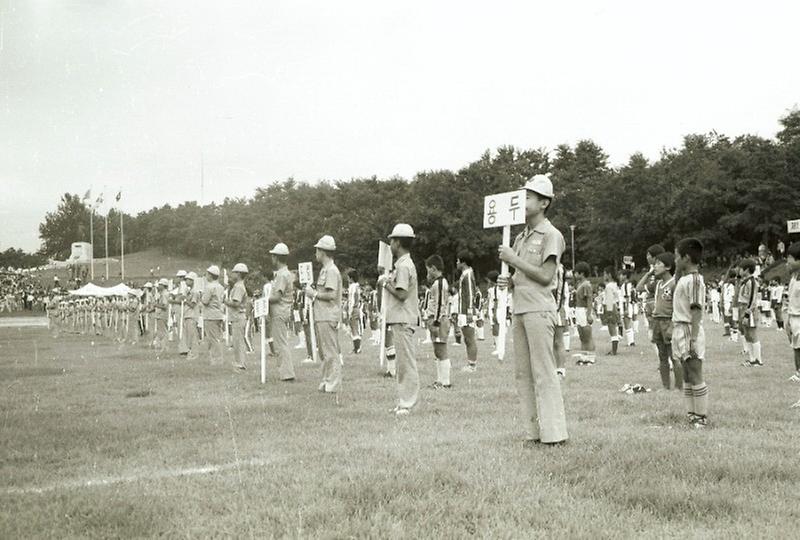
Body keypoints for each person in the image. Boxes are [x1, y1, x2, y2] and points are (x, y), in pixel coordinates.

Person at [498, 174, 568, 447]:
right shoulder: (520, 236)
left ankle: (554, 434)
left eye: (528, 197)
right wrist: (510, 278)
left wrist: (514, 260)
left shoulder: (552, 235)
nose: (522, 201)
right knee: (523, 374)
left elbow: (546, 276)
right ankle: (533, 432)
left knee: (543, 372)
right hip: (520, 308)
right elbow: (522, 276)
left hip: (539, 309)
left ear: (544, 203)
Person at [379, 224, 420, 415]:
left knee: (405, 364)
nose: (390, 244)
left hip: (403, 319)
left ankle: (408, 402)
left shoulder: (403, 266)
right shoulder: (403, 264)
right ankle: (404, 400)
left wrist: (385, 283)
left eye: (392, 240)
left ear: (397, 242)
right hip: (401, 319)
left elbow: (401, 294)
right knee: (402, 363)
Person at [672, 238, 709, 428]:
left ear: (686, 258)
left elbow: (696, 309)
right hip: (679, 328)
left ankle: (701, 417)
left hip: (688, 328)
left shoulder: (695, 280)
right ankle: (691, 414)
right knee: (686, 373)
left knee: (695, 372)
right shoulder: (684, 279)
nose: (675, 260)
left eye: (677, 256)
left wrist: (693, 337)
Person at [305, 235, 343, 393]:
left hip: (328, 315)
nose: (315, 253)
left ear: (323, 252)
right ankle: (327, 381)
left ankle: (332, 384)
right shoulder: (325, 270)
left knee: (330, 351)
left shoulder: (331, 271)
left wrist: (313, 294)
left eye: (317, 250)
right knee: (324, 352)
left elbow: (332, 295)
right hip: (322, 315)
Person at [648, 253, 683, 390]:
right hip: (657, 321)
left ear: (668, 266)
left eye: (658, 263)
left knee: (674, 356)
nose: (654, 266)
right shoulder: (658, 284)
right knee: (662, 356)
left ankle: (679, 387)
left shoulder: (674, 284)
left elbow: (678, 308)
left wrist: (672, 326)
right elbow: (639, 288)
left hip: (669, 321)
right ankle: (665, 386)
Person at [268, 243, 296, 382]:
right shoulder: (286, 273)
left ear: (276, 257)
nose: (271, 258)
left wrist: (265, 300)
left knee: (280, 343)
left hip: (279, 310)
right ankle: (285, 372)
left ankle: (287, 374)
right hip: (283, 311)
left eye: (273, 256)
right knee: (281, 342)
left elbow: (277, 296)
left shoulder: (282, 275)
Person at [425, 254, 452, 389]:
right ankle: (439, 380)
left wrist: (436, 322)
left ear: (433, 268)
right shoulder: (437, 283)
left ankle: (445, 381)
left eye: (428, 269)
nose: (427, 273)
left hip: (439, 320)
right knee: (437, 350)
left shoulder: (440, 283)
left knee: (441, 349)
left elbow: (440, 303)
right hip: (435, 319)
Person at [737, 259, 763, 367]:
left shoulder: (752, 282)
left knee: (752, 334)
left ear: (746, 270)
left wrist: (747, 313)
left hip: (749, 310)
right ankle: (751, 359)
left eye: (740, 269)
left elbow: (752, 299)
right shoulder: (744, 281)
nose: (739, 271)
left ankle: (758, 360)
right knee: (747, 334)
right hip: (742, 308)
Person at [456, 251, 479, 372]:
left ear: (463, 262)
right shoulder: (464, 274)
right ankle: (470, 363)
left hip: (467, 311)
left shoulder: (468, 274)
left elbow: (470, 293)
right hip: (462, 311)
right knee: (466, 339)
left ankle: (472, 365)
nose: (456, 263)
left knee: (470, 338)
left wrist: (470, 311)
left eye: (458, 261)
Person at [225, 263, 250, 371]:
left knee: (238, 341)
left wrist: (225, 301)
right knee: (237, 341)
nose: (232, 274)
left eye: (234, 272)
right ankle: (240, 362)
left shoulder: (239, 287)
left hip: (238, 316)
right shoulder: (239, 286)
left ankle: (240, 363)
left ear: (239, 274)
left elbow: (236, 303)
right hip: (237, 317)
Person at [201, 265, 226, 365]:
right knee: (216, 337)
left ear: (210, 275)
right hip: (218, 314)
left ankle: (217, 360)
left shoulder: (209, 287)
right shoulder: (220, 287)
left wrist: (201, 297)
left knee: (212, 338)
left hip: (210, 315)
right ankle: (215, 359)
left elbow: (205, 301)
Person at [572, 262, 596, 365]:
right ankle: (583, 357)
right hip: (578, 310)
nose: (574, 275)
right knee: (582, 336)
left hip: (584, 310)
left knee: (587, 335)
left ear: (581, 273)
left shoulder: (586, 285)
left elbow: (589, 300)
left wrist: (589, 314)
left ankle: (590, 358)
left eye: (576, 273)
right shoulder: (579, 284)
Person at [783, 243, 800, 382]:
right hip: (794, 318)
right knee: (796, 349)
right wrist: (788, 320)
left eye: (790, 257)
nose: (787, 261)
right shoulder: (794, 277)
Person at [602, 267, 621, 355]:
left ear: (609, 274)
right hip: (615, 306)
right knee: (613, 328)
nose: (604, 276)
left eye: (605, 274)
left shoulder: (609, 286)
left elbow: (609, 300)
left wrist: (608, 313)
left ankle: (614, 350)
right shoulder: (615, 284)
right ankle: (614, 349)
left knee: (612, 329)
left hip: (611, 307)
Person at [346, 269, 363, 354]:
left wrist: (350, 311)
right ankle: (356, 347)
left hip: (354, 308)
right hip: (357, 308)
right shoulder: (357, 286)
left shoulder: (353, 286)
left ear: (351, 278)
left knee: (354, 328)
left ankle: (357, 348)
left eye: (348, 277)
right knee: (354, 328)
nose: (347, 279)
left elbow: (352, 299)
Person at [154, 278, 170, 353]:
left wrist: (156, 305)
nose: (158, 286)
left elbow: (164, 306)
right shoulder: (162, 294)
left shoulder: (164, 294)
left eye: (160, 285)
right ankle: (162, 347)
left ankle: (164, 347)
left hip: (162, 315)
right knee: (161, 331)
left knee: (163, 331)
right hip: (160, 314)